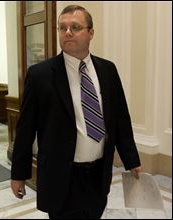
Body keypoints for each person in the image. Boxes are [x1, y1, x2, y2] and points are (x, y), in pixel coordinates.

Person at [11, 5, 141, 219]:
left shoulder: (108, 70)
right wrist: (19, 174)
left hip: (98, 175)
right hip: (60, 176)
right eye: (62, 28)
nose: (67, 32)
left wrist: (132, 160)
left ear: (91, 33)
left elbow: (120, 119)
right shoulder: (40, 75)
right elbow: (25, 130)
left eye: (75, 27)